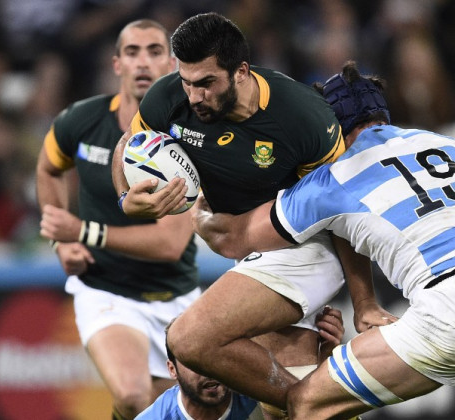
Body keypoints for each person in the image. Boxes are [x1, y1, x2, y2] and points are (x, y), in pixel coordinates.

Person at [189, 60, 455, 419]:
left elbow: (234, 241)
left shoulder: (332, 177)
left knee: (307, 403)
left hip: (454, 307)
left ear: (327, 126)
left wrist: (199, 208)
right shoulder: (446, 143)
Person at [111, 12, 395, 416]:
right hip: (249, 248)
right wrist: (125, 197)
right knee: (279, 383)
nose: (194, 97)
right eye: (187, 82)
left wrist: (364, 301)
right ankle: (312, 403)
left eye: (207, 83)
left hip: (307, 242)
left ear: (241, 71)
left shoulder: (302, 118)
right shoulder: (169, 97)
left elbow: (341, 216)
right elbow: (128, 144)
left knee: (191, 340)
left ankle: (312, 402)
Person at [35, 20, 201, 420]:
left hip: (175, 296)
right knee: (132, 396)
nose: (143, 61)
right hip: (105, 292)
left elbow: (169, 244)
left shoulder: (189, 136)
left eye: (154, 50)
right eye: (132, 52)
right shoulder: (82, 119)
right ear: (116, 64)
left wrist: (83, 231)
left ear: (172, 63)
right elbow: (47, 169)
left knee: (178, 408)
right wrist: (63, 244)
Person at [136, 306, 345, 420]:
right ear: (172, 370)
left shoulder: (256, 386)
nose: (208, 369)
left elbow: (314, 406)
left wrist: (325, 356)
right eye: (194, 362)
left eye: (213, 358)